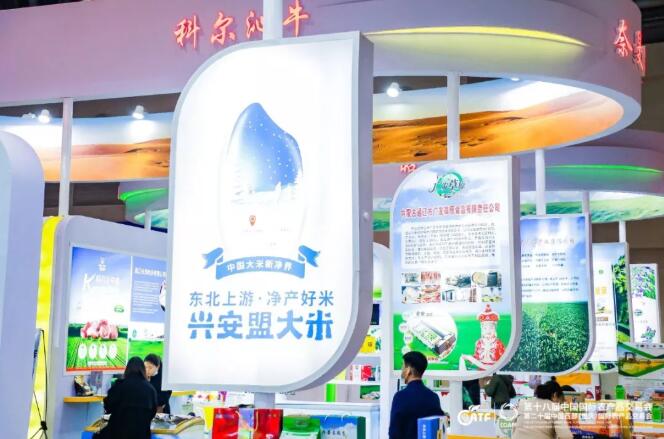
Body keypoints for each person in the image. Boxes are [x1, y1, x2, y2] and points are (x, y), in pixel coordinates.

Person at [389, 352, 445, 439]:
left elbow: (394, 432)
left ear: (408, 370)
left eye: (402, 366)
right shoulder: (433, 397)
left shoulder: (400, 396)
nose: (401, 370)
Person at [101, 357, 158, 439]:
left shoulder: (119, 385)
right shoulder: (150, 389)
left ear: (127, 369)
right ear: (143, 370)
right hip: (141, 434)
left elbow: (108, 406)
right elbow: (153, 411)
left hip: (118, 433)